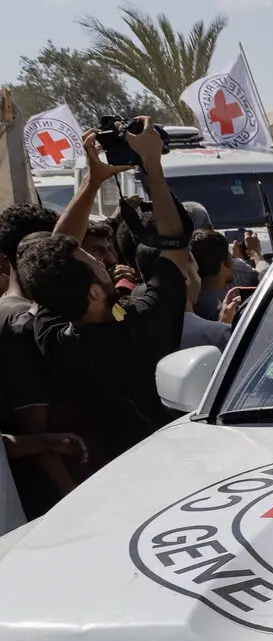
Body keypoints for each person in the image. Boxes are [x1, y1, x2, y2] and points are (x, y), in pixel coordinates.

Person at [15, 121, 193, 475]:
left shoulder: (55, 338)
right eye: (93, 260)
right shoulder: (146, 321)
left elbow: (52, 255)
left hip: (111, 477)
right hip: (174, 466)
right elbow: (174, 245)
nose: (103, 260)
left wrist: (92, 179)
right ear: (96, 292)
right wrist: (152, 165)